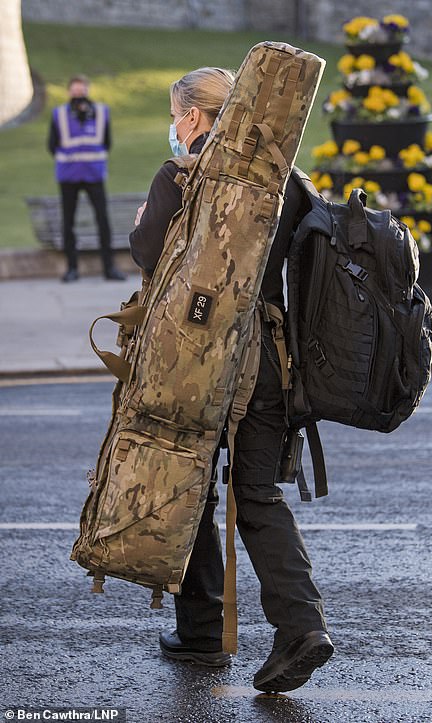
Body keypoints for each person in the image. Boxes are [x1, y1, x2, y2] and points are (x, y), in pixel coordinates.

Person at [129, 67, 334, 694]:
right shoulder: (285, 178)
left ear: (192, 117)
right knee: (259, 494)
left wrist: (143, 222)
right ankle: (301, 628)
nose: (175, 126)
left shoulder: (181, 175)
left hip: (195, 363)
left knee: (187, 482)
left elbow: (148, 253)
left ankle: (201, 630)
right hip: (270, 359)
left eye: (176, 115)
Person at [48, 75, 126, 282]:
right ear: (69, 92)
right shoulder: (59, 114)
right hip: (68, 175)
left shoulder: (101, 112)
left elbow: (107, 142)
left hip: (94, 174)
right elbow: (52, 145)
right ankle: (72, 269)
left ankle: (109, 268)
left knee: (102, 220)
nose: (78, 95)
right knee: (68, 222)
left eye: (81, 91)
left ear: (87, 91)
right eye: (75, 91)